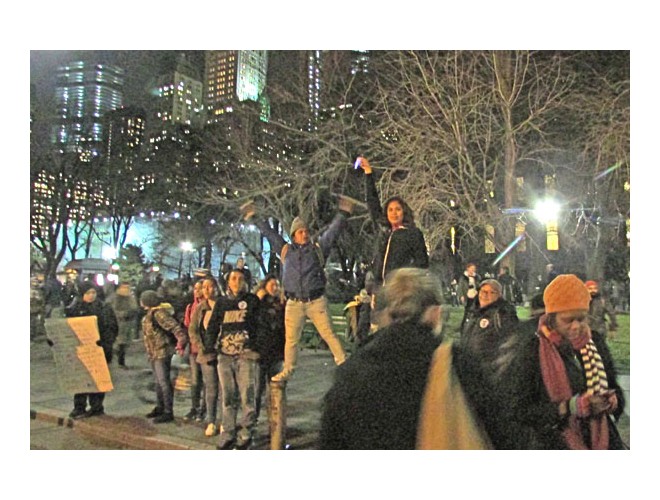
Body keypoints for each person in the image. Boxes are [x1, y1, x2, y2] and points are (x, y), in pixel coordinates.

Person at [320, 268, 498, 450]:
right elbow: (499, 431)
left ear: (385, 312)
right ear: (435, 312)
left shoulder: (352, 371)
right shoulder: (458, 366)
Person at [497, 274, 626, 449]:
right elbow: (518, 410)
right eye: (568, 320)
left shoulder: (595, 342)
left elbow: (613, 385)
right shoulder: (532, 349)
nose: (576, 326)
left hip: (602, 440)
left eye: (581, 318)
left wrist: (613, 401)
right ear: (552, 318)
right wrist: (571, 407)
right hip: (554, 443)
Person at [241, 194, 356, 382]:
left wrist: (343, 213)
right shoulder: (286, 251)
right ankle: (289, 368)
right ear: (294, 235)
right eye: (300, 231)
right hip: (293, 302)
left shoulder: (317, 249)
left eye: (305, 231)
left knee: (328, 334)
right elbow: (270, 234)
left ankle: (343, 363)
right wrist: (253, 217)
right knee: (291, 339)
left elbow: (333, 232)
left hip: (315, 301)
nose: (304, 233)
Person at [205, 269, 261, 450]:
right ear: (228, 282)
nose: (237, 282)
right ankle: (227, 432)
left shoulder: (252, 301)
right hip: (225, 355)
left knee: (247, 395)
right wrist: (209, 349)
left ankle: (246, 432)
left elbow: (260, 326)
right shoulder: (222, 302)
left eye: (240, 279)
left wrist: (255, 347)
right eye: (233, 279)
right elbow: (213, 325)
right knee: (228, 396)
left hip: (245, 355)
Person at [356, 156, 429, 285]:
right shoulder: (384, 230)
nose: (394, 213)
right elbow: (373, 203)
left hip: (401, 288)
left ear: (404, 212)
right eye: (390, 210)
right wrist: (368, 173)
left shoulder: (412, 234)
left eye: (398, 209)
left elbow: (422, 264)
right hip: (380, 288)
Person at [64, 282, 118, 419]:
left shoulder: (104, 308)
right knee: (81, 379)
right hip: (81, 350)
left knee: (97, 379)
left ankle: (96, 406)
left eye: (93, 292)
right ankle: (79, 407)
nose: (91, 295)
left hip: (99, 349)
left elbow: (112, 327)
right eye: (88, 293)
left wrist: (104, 343)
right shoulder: (75, 308)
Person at [140, 290, 187, 424]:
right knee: (158, 382)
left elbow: (175, 327)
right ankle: (160, 407)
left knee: (164, 382)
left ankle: (168, 411)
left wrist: (180, 343)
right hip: (155, 353)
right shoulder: (151, 314)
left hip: (162, 352)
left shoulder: (158, 313)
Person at [459, 279, 519, 383]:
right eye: (483, 291)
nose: (486, 295)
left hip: (489, 376)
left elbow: (511, 346)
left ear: (499, 295)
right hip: (469, 372)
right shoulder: (473, 312)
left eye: (492, 292)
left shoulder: (502, 314)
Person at [187, 277, 222, 436]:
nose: (207, 290)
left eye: (210, 286)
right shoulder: (200, 308)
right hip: (206, 354)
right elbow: (193, 329)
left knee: (226, 391)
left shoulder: (223, 305)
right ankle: (211, 421)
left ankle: (225, 421)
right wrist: (201, 346)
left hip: (223, 353)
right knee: (211, 389)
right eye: (205, 287)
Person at [253, 274, 286, 421]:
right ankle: (253, 421)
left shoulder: (281, 305)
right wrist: (259, 299)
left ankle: (275, 424)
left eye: (277, 285)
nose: (275, 288)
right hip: (260, 352)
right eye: (272, 284)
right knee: (256, 391)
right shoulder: (258, 303)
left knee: (275, 391)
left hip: (277, 352)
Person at [182, 279, 206, 423]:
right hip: (193, 349)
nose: (197, 291)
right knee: (195, 381)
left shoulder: (209, 306)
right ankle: (194, 407)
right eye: (195, 288)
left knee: (208, 382)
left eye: (200, 288)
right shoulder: (190, 307)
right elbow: (187, 326)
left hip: (204, 349)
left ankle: (204, 409)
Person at [107, 282, 139, 368]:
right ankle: (120, 361)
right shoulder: (114, 298)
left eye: (128, 287)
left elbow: (135, 308)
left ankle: (120, 359)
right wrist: (121, 314)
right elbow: (112, 310)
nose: (126, 289)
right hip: (118, 323)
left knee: (124, 343)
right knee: (120, 342)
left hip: (128, 323)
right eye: (124, 287)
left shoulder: (131, 297)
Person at [457, 262, 481, 331]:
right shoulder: (463, 277)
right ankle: (463, 326)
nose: (472, 270)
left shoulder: (477, 277)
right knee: (467, 312)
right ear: (468, 269)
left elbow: (479, 286)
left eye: (474, 269)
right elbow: (460, 287)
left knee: (476, 311)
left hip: (475, 295)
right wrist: (461, 296)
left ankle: (474, 326)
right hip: (467, 296)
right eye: (471, 268)